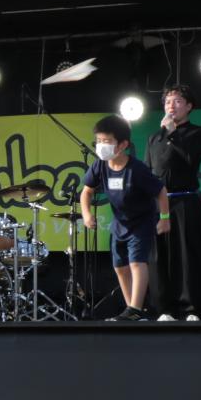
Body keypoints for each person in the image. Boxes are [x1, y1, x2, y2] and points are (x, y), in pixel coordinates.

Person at [80, 115, 170, 322]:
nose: (102, 146)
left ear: (123, 145)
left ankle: (135, 309)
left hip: (141, 223)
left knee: (136, 263)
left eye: (107, 142)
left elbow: (161, 191)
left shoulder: (136, 169)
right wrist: (86, 214)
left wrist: (164, 218)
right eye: (99, 141)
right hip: (119, 224)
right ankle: (131, 310)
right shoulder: (99, 166)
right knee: (119, 267)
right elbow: (86, 192)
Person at [146, 83, 201, 321]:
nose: (170, 106)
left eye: (176, 101)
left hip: (185, 202)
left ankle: (191, 308)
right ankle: (164, 308)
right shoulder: (154, 137)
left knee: (187, 255)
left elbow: (190, 158)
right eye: (167, 102)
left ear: (189, 106)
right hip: (158, 205)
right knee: (159, 257)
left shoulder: (199, 133)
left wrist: (173, 133)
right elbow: (148, 172)